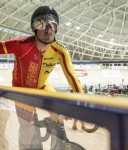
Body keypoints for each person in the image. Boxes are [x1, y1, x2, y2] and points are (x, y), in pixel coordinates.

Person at [0, 5, 84, 150]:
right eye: (42, 24)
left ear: (56, 29)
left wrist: (83, 102)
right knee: (28, 129)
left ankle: (57, 146)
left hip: (42, 86)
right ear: (35, 28)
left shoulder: (60, 51)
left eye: (53, 25)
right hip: (22, 92)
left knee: (58, 115)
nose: (48, 29)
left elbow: (72, 76)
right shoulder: (21, 44)